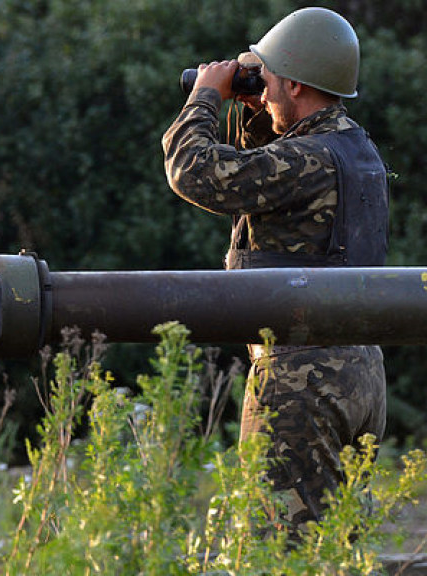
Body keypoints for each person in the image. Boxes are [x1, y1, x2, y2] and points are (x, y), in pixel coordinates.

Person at [161, 7, 389, 535]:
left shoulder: (307, 159)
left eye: (268, 83)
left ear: (293, 82)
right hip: (359, 375)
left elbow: (195, 171)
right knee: (336, 547)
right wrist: (256, 108)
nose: (261, 91)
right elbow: (270, 182)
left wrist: (206, 98)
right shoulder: (354, 149)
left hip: (300, 379)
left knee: (281, 548)